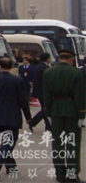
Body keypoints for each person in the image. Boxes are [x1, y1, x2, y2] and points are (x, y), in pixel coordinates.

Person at [0, 57, 32, 179]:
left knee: (5, 142)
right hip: (12, 115)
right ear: (11, 67)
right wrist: (28, 117)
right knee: (10, 142)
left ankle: (11, 166)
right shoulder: (18, 81)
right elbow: (23, 101)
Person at [43, 48, 85, 183]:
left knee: (57, 144)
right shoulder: (76, 73)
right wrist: (82, 114)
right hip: (72, 111)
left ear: (59, 59)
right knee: (72, 144)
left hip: (55, 111)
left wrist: (47, 113)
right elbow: (79, 95)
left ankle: (60, 175)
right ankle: (72, 175)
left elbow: (46, 95)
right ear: (71, 60)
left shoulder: (48, 72)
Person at [27, 52, 52, 132]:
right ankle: (33, 122)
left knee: (45, 109)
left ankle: (47, 126)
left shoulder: (37, 67)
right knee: (46, 109)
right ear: (47, 59)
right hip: (43, 92)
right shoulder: (45, 68)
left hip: (38, 91)